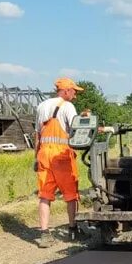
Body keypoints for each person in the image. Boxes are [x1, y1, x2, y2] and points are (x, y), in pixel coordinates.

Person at [34, 77, 85, 247]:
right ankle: (73, 230)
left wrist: (36, 158)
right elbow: (77, 129)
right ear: (65, 91)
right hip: (61, 155)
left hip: (43, 154)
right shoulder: (68, 106)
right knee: (71, 195)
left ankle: (44, 234)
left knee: (45, 195)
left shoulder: (41, 106)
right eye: (74, 91)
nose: (75, 95)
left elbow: (37, 135)